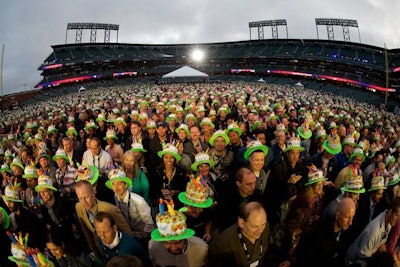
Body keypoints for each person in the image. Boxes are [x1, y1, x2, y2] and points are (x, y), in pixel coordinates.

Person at [74, 180, 133, 258]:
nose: (84, 202)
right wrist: (92, 248)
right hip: (100, 249)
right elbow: (85, 229)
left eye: (86, 197)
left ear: (93, 192)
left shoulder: (110, 209)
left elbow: (127, 232)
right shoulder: (78, 207)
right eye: (80, 198)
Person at [296, 197, 357, 267]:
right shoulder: (319, 234)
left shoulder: (347, 233)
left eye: (352, 217)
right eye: (347, 217)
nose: (350, 222)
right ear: (337, 215)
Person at [209, 201, 270, 267]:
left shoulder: (266, 227)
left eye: (263, 224)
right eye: (254, 226)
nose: (260, 230)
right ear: (241, 223)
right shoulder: (222, 246)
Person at [345, 196, 400, 265]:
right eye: (397, 216)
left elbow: (381, 243)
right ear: (390, 211)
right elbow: (363, 257)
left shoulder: (388, 220)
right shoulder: (374, 232)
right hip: (356, 262)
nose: (398, 220)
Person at [105, 167, 154, 242]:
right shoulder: (115, 196)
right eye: (113, 184)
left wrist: (144, 237)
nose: (116, 187)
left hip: (141, 237)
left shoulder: (139, 201)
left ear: (125, 185)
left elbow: (149, 223)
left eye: (119, 184)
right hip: (126, 234)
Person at [216, 167, 262, 232]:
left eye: (254, 183)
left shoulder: (258, 196)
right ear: (238, 183)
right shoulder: (228, 200)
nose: (253, 187)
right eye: (248, 184)